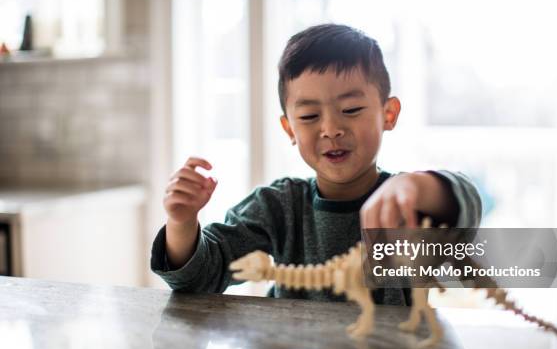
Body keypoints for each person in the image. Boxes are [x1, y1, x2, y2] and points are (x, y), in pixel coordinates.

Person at [150, 24, 482, 305]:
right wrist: (181, 221)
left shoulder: (405, 203)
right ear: (289, 129)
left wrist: (421, 186)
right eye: (309, 116)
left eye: (351, 109)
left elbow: (467, 207)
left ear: (389, 114)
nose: (331, 129)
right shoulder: (277, 206)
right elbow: (198, 280)